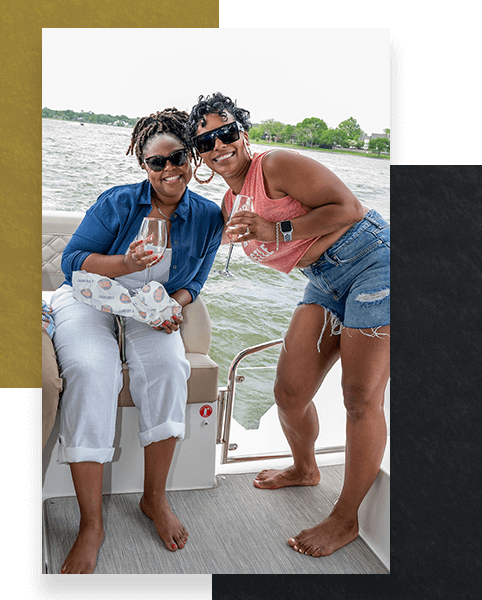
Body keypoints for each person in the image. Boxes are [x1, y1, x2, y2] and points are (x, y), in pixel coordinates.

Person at [187, 93, 390, 558]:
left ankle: (346, 517)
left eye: (224, 132)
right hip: (322, 279)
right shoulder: (228, 199)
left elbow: (349, 208)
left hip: (372, 262)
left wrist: (272, 230)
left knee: (360, 397)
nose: (217, 145)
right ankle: (305, 468)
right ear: (198, 155)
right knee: (289, 392)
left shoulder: (275, 165)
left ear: (242, 133)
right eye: (204, 142)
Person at [51, 108, 223, 574]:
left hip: (150, 307)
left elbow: (196, 283)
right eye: (157, 162)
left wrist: (173, 307)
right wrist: (125, 263)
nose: (169, 170)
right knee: (91, 370)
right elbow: (74, 263)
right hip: (91, 296)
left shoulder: (208, 216)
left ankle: (154, 498)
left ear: (192, 157)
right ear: (143, 165)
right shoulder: (118, 203)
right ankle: (91, 523)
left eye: (178, 158)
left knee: (170, 369)